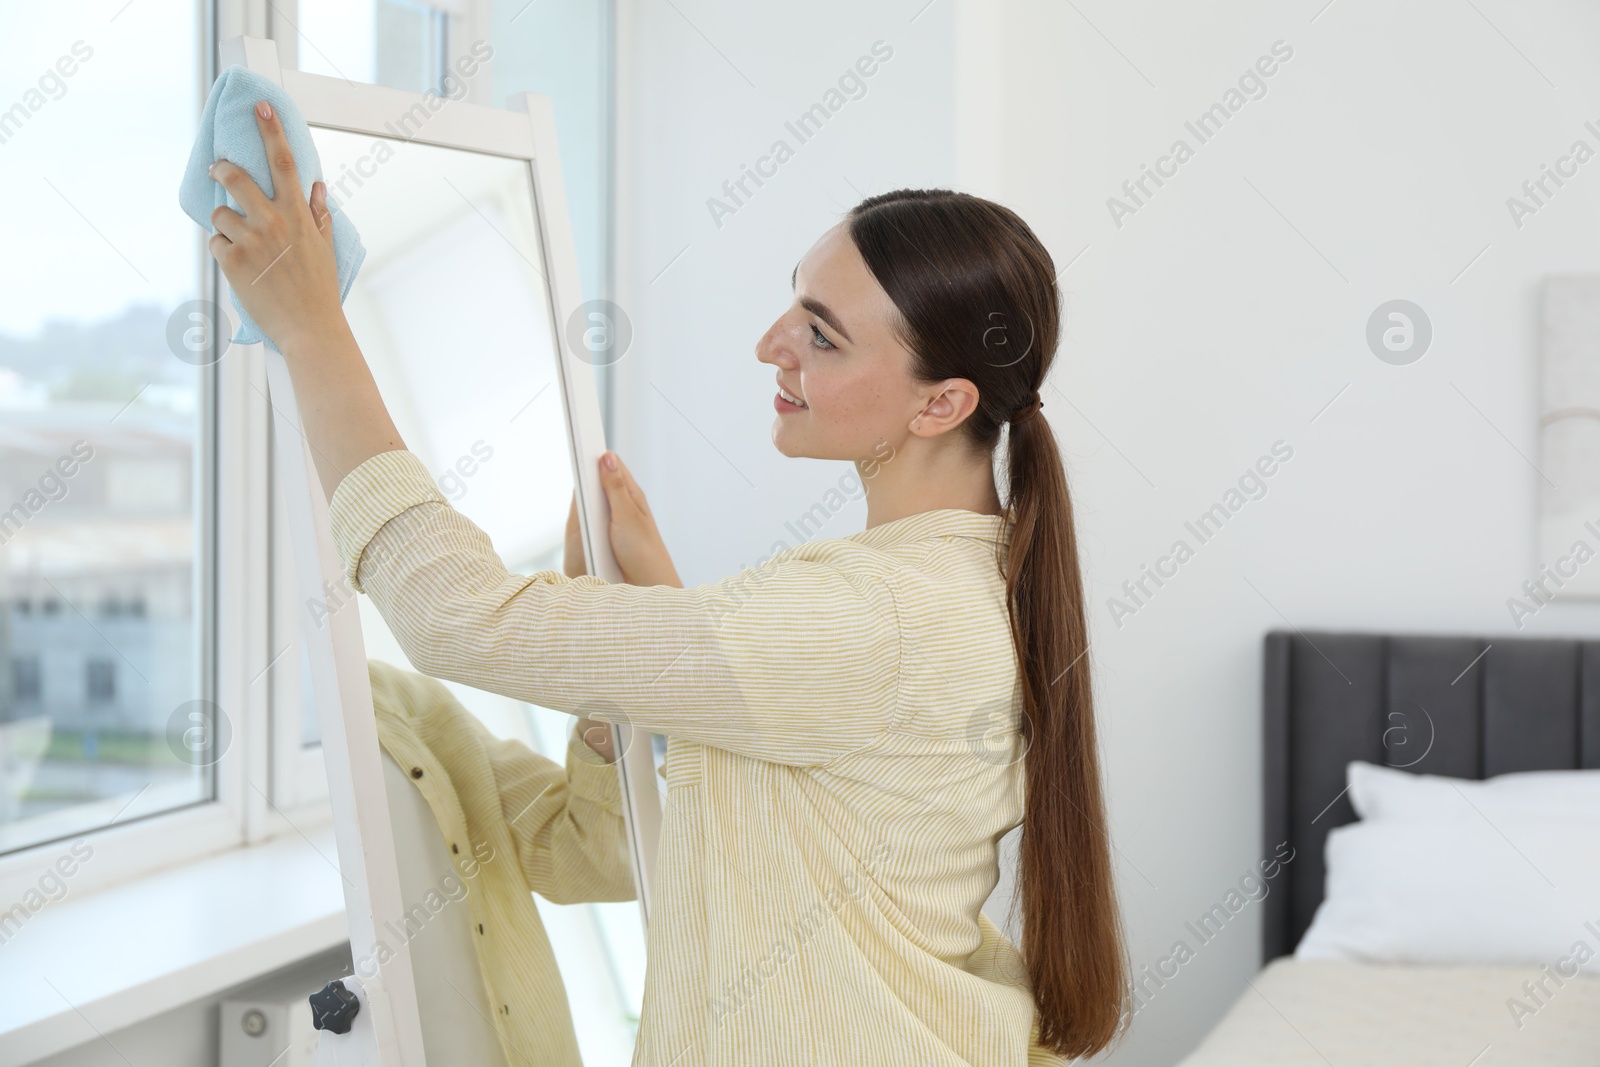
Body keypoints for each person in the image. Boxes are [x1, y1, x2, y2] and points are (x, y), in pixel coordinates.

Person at [205, 98, 1129, 1065]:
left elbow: (454, 618)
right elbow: (810, 807)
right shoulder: (953, 586)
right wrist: (657, 635)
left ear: (943, 403)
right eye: (793, 304)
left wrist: (312, 329)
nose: (771, 343)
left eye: (822, 334)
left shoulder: (869, 616)